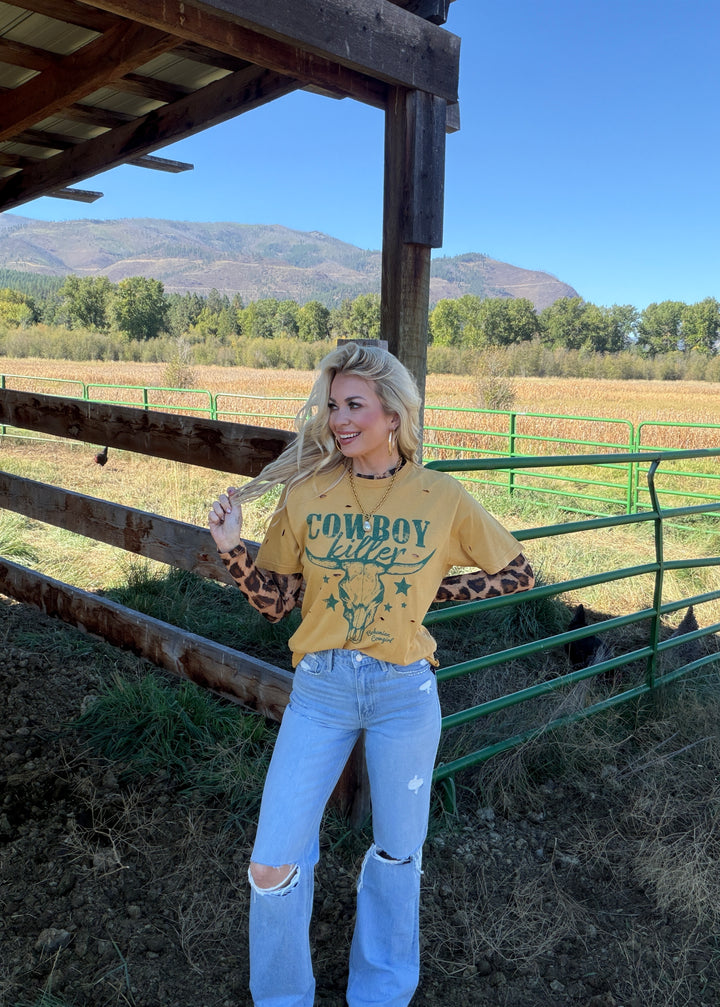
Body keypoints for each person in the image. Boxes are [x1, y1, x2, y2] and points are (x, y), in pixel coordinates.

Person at [208, 343, 534, 1007]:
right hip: (321, 691)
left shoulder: (440, 496)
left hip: (402, 693)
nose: (340, 419)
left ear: (394, 413)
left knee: (397, 854)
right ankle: (281, 996)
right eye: (333, 406)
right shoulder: (307, 491)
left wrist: (426, 593)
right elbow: (276, 601)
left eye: (355, 404)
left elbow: (519, 573)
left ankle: (381, 990)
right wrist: (231, 550)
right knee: (271, 861)